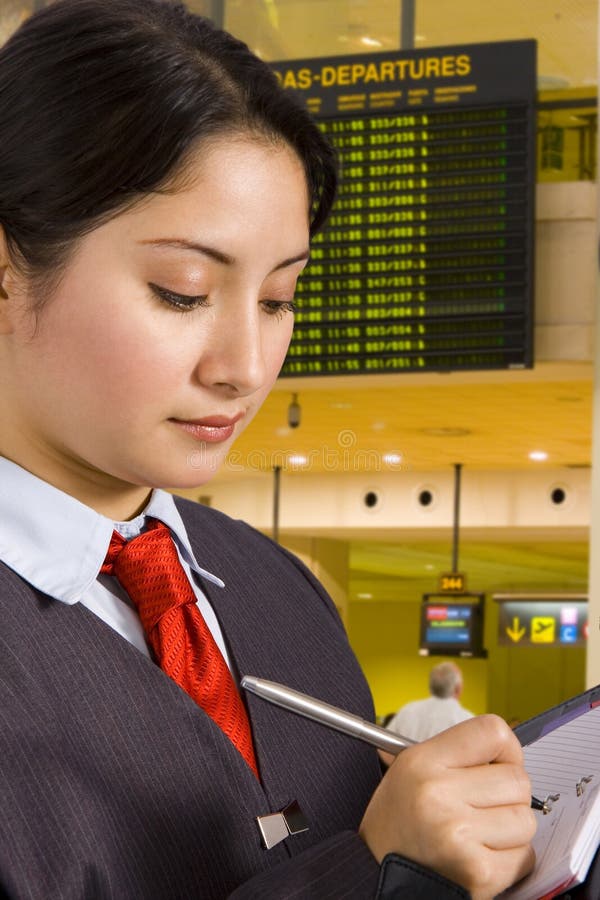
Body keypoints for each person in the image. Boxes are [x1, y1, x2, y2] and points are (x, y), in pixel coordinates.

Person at [0, 1, 536, 897]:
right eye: (182, 292)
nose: (245, 368)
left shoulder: (277, 588)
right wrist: (371, 872)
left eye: (280, 299)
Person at [386, 661, 475, 743]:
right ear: (458, 689)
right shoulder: (468, 720)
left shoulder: (407, 711)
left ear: (430, 687)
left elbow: (385, 747)